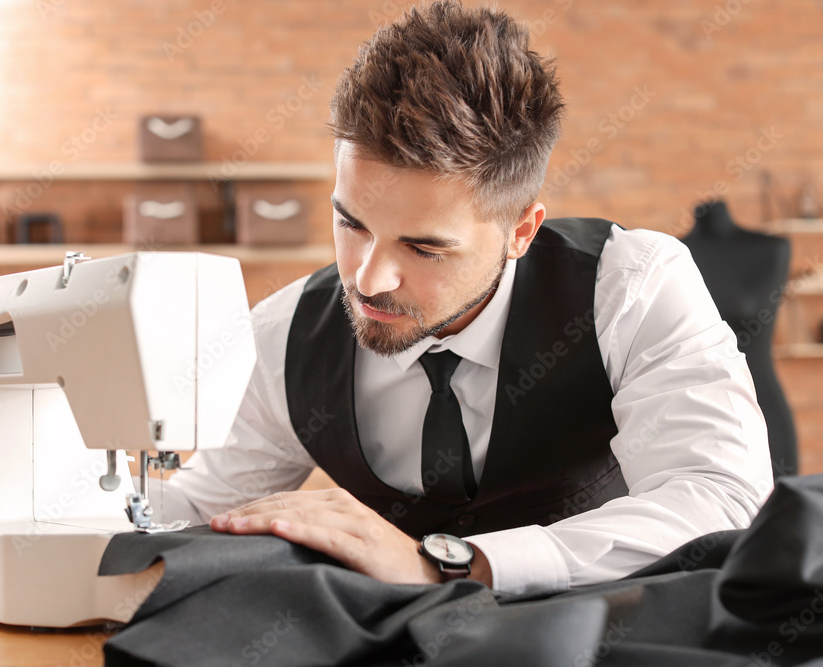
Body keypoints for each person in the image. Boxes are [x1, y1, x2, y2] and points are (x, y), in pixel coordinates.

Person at [158, 0, 773, 595]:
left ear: (521, 232)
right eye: (352, 223)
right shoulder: (284, 335)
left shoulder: (632, 288)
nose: (369, 280)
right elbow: (189, 510)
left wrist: (456, 565)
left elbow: (721, 498)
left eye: (424, 249)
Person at [681, 199, 798, 479]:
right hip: (695, 417)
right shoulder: (673, 256)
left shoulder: (771, 249)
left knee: (781, 517)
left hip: (763, 406)